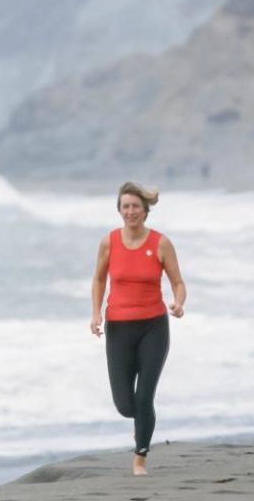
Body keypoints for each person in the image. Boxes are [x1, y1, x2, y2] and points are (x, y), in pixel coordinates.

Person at [90, 181, 186, 476]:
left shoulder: (160, 243)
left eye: (136, 206)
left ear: (145, 211)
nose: (131, 211)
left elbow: (177, 282)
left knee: (144, 397)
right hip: (118, 328)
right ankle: (141, 423)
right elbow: (98, 280)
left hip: (153, 327)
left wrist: (178, 303)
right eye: (125, 206)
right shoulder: (109, 242)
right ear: (119, 210)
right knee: (125, 404)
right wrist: (96, 314)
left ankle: (140, 458)